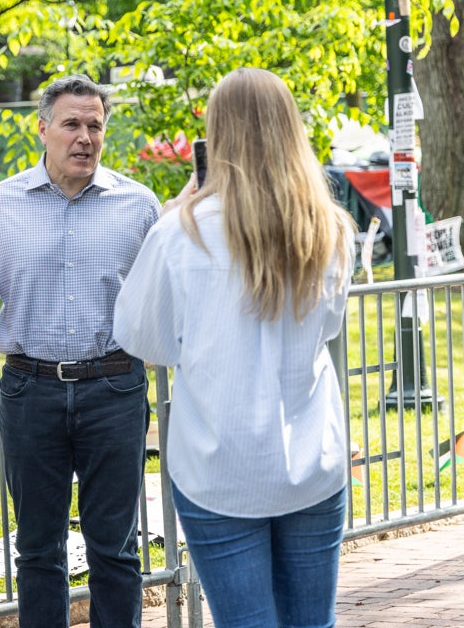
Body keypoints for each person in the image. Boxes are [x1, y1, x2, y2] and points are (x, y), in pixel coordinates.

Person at [113, 67, 354, 628]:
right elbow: (328, 327)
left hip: (219, 464)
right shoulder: (330, 230)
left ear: (216, 137)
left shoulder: (180, 234)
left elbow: (142, 339)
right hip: (312, 455)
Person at [0, 74, 160, 628]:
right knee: (38, 548)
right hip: (29, 389)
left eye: (95, 126)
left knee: (116, 547)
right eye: (72, 125)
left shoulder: (138, 205)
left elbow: (165, 295)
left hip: (114, 387)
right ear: (43, 129)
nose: (84, 137)